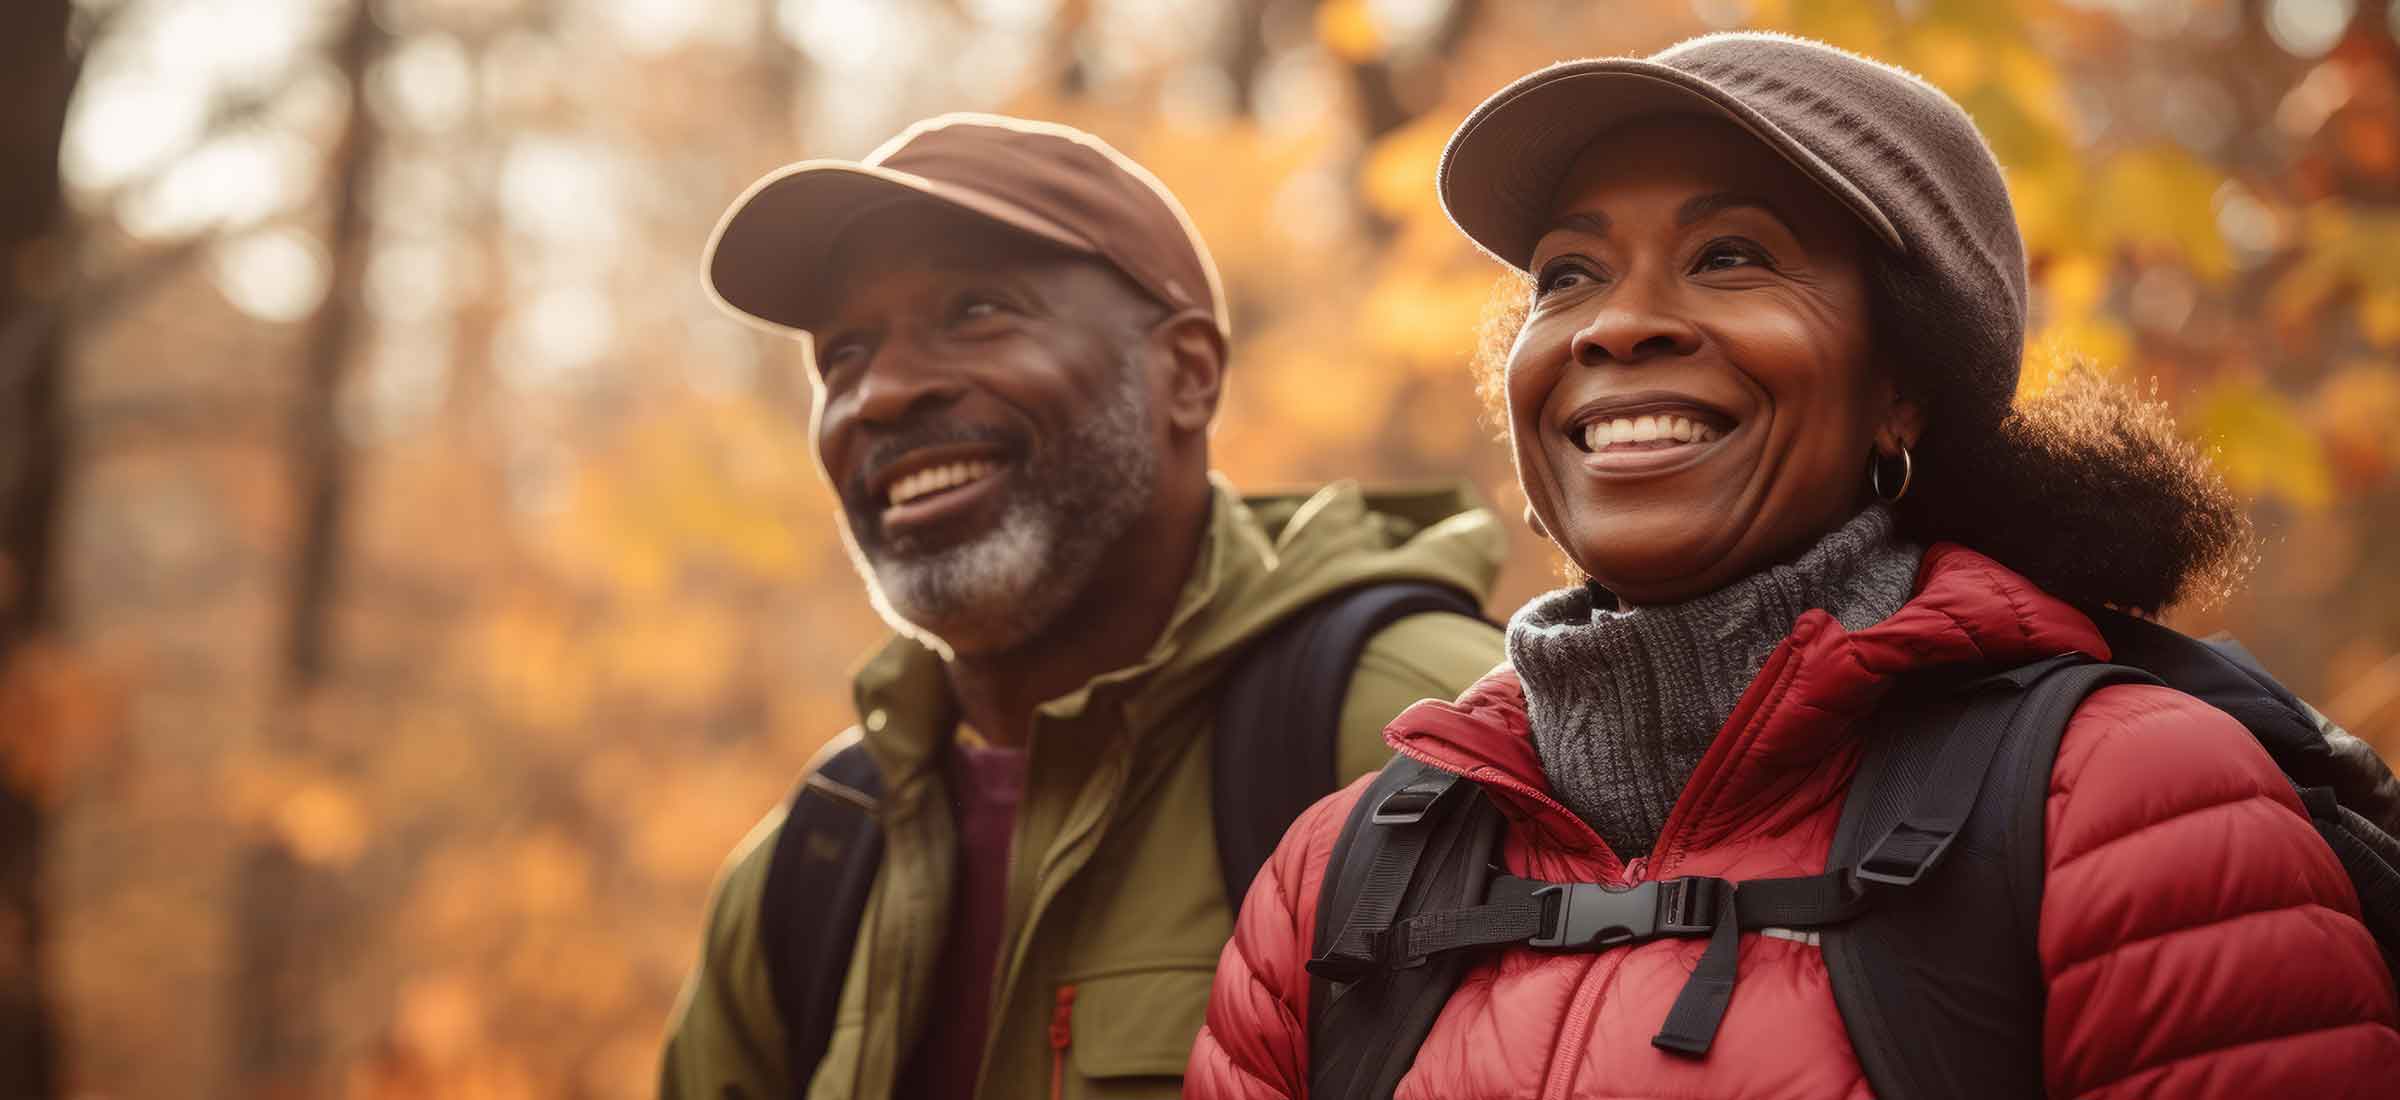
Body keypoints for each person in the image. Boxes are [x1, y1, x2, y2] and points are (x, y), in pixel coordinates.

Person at [1190, 33, 2400, 1098]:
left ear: (1902, 386)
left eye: (1732, 255)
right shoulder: (1337, 877)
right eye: (1569, 273)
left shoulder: (2131, 805)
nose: (1617, 322)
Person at [657, 114, 1507, 1100]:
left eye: (975, 310)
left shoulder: (1429, 737)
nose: (881, 394)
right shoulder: (808, 867)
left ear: (1186, 373)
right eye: (843, 354)